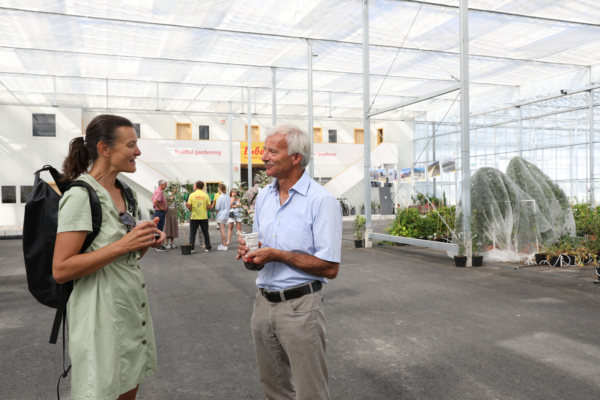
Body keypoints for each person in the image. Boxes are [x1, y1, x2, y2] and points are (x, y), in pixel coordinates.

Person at [52, 114, 165, 400]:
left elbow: (131, 255)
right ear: (104, 148)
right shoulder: (80, 195)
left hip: (130, 311)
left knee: (129, 386)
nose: (138, 152)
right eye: (131, 145)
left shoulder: (125, 192)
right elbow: (61, 269)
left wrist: (145, 239)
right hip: (99, 318)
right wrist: (123, 245)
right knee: (100, 392)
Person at [237, 123, 342, 400]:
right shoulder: (263, 197)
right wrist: (253, 257)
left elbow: (330, 268)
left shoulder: (321, 201)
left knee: (311, 390)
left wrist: (277, 254)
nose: (264, 157)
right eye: (264, 150)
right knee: (275, 388)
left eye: (272, 151)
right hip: (262, 304)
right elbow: (259, 256)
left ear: (296, 157)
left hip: (301, 308)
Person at [186, 180, 212, 253]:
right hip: (203, 216)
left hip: (194, 216)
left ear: (196, 186)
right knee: (205, 232)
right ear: (203, 187)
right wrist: (204, 208)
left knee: (192, 233)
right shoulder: (206, 195)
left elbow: (188, 205)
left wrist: (192, 209)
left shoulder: (192, 195)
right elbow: (209, 206)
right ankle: (208, 247)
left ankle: (191, 248)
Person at [152, 179, 168, 252]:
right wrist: (160, 207)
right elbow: (155, 200)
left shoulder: (157, 191)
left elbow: (152, 199)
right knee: (159, 229)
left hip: (158, 212)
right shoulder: (159, 192)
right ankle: (158, 246)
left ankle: (158, 244)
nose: (166, 186)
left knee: (158, 228)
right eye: (165, 185)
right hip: (159, 212)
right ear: (162, 185)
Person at [214, 183, 230, 251]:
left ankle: (224, 245)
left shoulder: (220, 197)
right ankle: (223, 244)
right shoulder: (227, 196)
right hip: (226, 215)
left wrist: (216, 215)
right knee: (223, 230)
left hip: (221, 215)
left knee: (222, 231)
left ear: (219, 189)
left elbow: (217, 208)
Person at [164, 185, 179, 249]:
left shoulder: (176, 196)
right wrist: (170, 200)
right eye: (176, 189)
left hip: (174, 211)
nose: (177, 190)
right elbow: (165, 205)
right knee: (168, 226)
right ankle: (167, 243)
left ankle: (172, 243)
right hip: (168, 211)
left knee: (173, 226)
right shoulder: (167, 195)